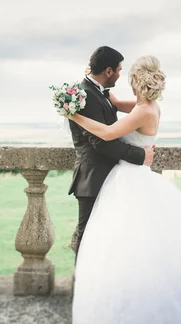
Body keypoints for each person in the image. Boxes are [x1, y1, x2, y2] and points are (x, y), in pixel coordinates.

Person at [67, 55, 181, 324]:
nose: (124, 79)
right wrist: (89, 80)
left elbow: (105, 134)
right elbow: (112, 101)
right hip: (137, 177)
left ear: (137, 80)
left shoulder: (142, 111)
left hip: (129, 179)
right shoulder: (148, 106)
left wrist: (74, 115)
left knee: (129, 243)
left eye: (129, 77)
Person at [68, 46, 155, 258]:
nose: (119, 75)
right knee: (87, 236)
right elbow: (103, 142)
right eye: (118, 70)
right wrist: (141, 155)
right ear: (108, 71)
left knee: (110, 239)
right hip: (93, 179)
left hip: (113, 178)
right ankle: (83, 287)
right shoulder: (86, 95)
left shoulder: (99, 91)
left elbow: (113, 104)